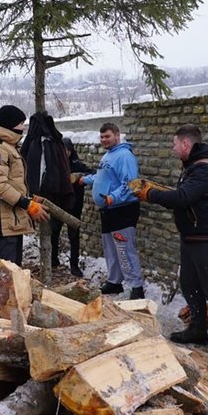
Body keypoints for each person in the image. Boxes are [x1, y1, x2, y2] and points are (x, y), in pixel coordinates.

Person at [130, 124, 208, 366]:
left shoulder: (205, 169)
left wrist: (150, 194)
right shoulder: (194, 166)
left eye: (175, 144)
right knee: (190, 285)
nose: (173, 148)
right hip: (193, 239)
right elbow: (186, 195)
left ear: (186, 144)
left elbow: (183, 197)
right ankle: (197, 330)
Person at [0, 105, 50, 265]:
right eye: (20, 123)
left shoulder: (8, 146)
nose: (23, 127)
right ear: (9, 124)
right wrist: (27, 204)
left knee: (15, 272)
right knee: (8, 274)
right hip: (3, 221)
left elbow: (13, 182)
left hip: (13, 220)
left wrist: (29, 198)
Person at [81, 123, 144, 300]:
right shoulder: (109, 155)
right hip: (108, 210)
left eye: (107, 136)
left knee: (124, 249)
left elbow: (131, 183)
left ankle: (136, 287)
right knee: (111, 249)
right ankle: (115, 281)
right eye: (101, 137)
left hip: (122, 210)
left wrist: (113, 198)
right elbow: (103, 177)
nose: (104, 140)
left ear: (117, 135)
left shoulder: (124, 156)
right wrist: (84, 179)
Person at [53, 137, 94, 277]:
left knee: (74, 236)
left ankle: (74, 265)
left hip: (74, 206)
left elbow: (93, 173)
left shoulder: (77, 165)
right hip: (57, 205)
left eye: (65, 150)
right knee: (54, 232)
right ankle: (53, 260)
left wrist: (80, 177)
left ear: (70, 151)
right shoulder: (55, 165)